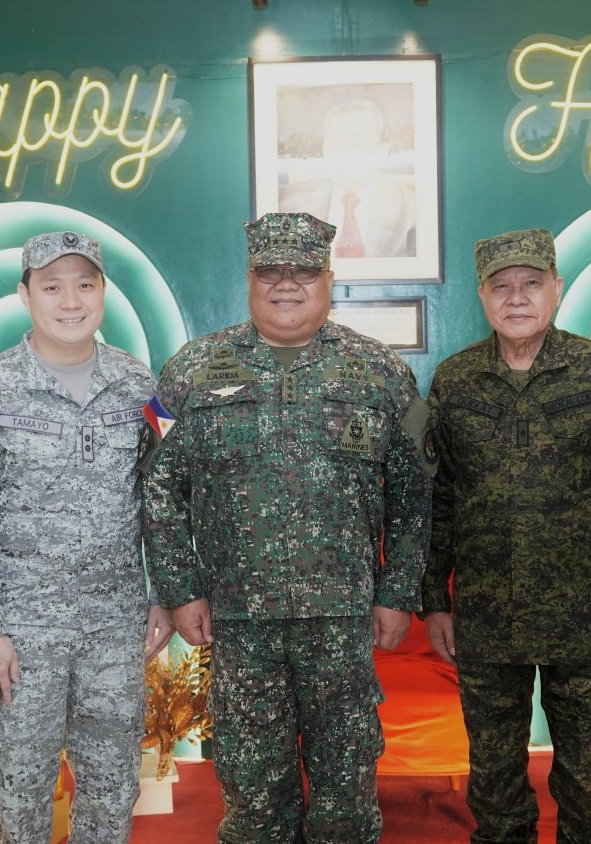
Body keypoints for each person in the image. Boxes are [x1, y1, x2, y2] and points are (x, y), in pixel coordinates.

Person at [141, 211, 434, 842]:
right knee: (252, 794)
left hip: (343, 619)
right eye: (270, 271)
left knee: (345, 792)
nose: (286, 284)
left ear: (328, 278)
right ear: (249, 279)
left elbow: (414, 495)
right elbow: (159, 487)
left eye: (303, 271)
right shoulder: (192, 371)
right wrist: (180, 589)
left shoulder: (381, 371)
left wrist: (396, 593)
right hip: (238, 619)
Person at [0, 231, 173, 843]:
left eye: (85, 284)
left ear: (103, 292)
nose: (71, 301)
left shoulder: (139, 384)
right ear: (25, 296)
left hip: (115, 629)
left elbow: (164, 495)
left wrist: (164, 595)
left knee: (112, 793)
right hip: (20, 636)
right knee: (19, 797)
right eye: (52, 287)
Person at [421, 228, 591, 844]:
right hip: (486, 616)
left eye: (532, 283)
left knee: (587, 781)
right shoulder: (454, 381)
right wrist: (434, 599)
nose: (517, 298)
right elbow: (438, 497)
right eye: (501, 286)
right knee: (495, 783)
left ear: (556, 288)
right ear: (482, 296)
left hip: (580, 614)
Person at [279, 97, 418, 259]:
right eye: (333, 141)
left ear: (382, 152)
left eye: (355, 142)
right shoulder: (289, 205)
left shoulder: (414, 209)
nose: (341, 151)